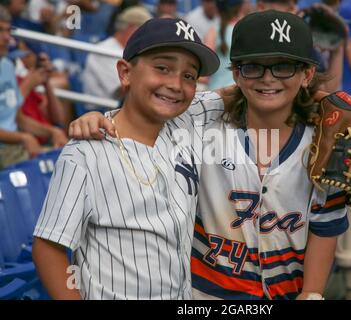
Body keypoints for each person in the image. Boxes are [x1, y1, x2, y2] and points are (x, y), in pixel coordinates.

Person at [70, 11, 351, 300]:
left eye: (283, 67)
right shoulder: (200, 124)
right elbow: (148, 108)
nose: (268, 79)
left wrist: (314, 292)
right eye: (253, 67)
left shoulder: (327, 140)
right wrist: (102, 118)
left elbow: (325, 226)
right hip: (206, 295)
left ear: (306, 74)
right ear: (236, 74)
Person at [32, 17, 220, 300]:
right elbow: (49, 247)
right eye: (162, 68)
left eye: (189, 76)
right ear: (125, 73)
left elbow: (244, 93)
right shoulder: (85, 152)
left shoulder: (185, 123)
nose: (176, 84)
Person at [0, 6, 67, 169]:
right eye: (0, 31)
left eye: (9, 31)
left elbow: (18, 119)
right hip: (7, 150)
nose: (7, 38)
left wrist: (52, 131)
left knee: (67, 159)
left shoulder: (7, 66)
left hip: (14, 147)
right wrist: (23, 137)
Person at [82, 6, 152, 113]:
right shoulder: (103, 50)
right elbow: (122, 89)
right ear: (131, 28)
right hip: (101, 112)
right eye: (143, 31)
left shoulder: (129, 50)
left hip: (121, 107)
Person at [204, 0, 244, 90]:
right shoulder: (246, 30)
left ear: (217, 8)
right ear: (241, 7)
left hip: (216, 92)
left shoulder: (213, 31)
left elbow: (203, 75)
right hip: (239, 92)